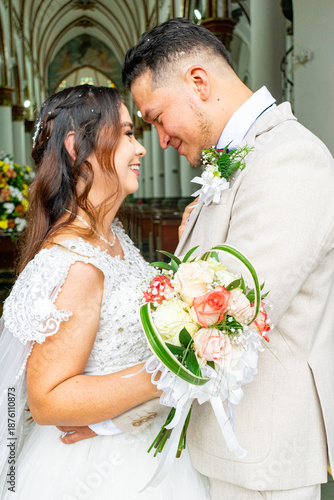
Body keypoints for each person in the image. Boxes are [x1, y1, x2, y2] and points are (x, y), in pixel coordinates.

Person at [118, 17, 334, 500]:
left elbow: (224, 317)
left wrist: (115, 414)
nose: (160, 139)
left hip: (261, 453)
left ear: (198, 82)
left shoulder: (288, 157)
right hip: (225, 446)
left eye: (155, 117)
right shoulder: (241, 159)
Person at [0, 84, 210, 499]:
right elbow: (48, 401)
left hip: (137, 441)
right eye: (128, 133)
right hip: (97, 468)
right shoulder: (77, 263)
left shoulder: (111, 236)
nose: (141, 149)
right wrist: (168, 371)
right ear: (78, 148)